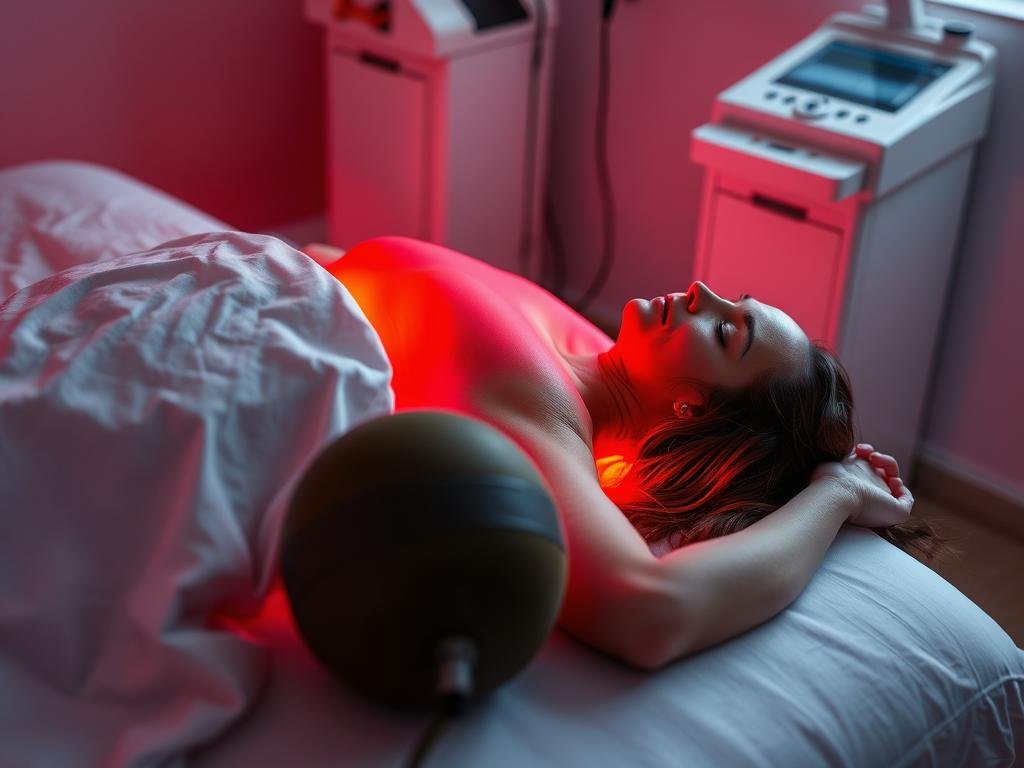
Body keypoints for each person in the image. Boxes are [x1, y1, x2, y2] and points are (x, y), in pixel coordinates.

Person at [320, 236, 933, 670]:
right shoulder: (585, 348)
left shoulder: (537, 393)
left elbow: (650, 613)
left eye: (724, 333)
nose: (701, 290)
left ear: (691, 407)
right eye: (732, 304)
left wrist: (836, 492)